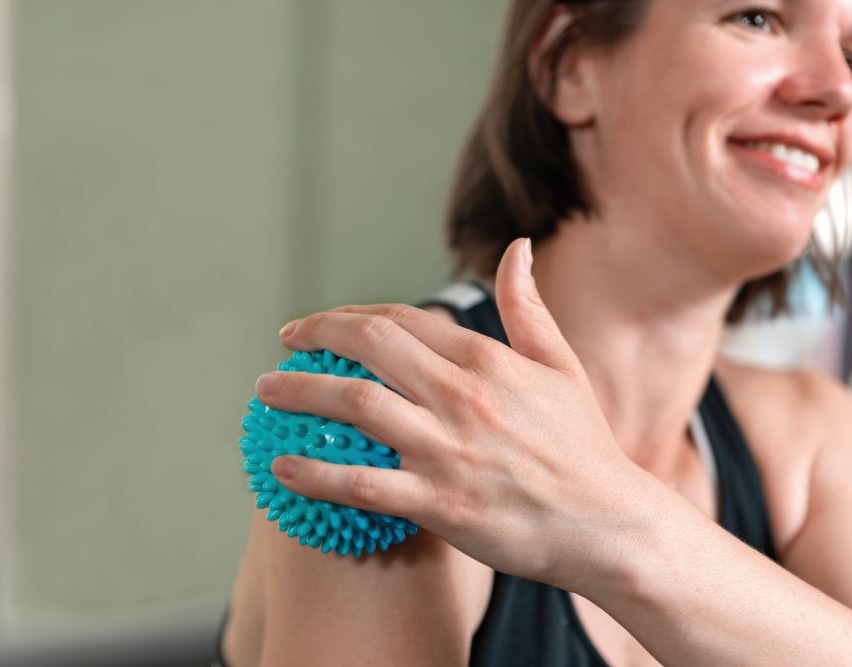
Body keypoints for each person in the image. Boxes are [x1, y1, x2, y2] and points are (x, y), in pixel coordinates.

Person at [218, 0, 852, 664]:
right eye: (757, 18)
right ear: (569, 63)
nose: (836, 89)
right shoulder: (389, 418)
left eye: (850, 47)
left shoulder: (810, 444)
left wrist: (613, 523)